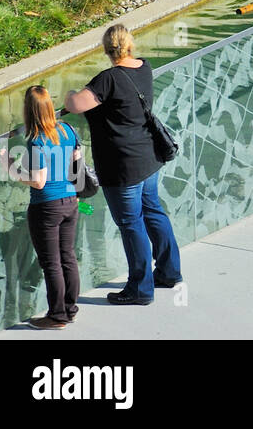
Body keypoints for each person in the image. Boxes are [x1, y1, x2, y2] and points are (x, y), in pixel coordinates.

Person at [64, 24, 181, 306]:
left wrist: (69, 94)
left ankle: (140, 289)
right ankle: (169, 271)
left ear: (107, 50)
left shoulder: (108, 79)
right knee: (153, 212)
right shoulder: (144, 67)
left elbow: (77, 104)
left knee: (131, 223)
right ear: (130, 45)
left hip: (122, 167)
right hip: (149, 158)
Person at [0, 86, 83, 329]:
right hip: (70, 202)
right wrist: (75, 194)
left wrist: (9, 166)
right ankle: (70, 308)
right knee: (67, 256)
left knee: (51, 262)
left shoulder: (36, 140)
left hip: (46, 206)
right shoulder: (67, 129)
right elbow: (77, 162)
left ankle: (56, 316)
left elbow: (39, 180)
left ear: (29, 110)